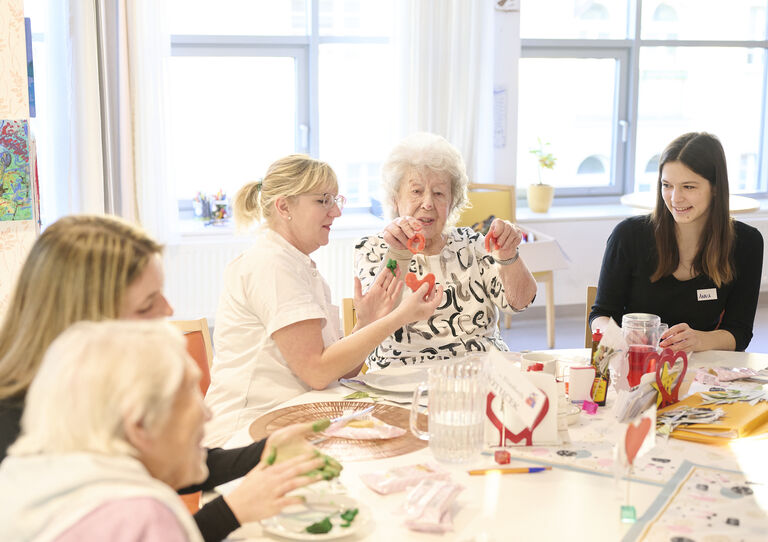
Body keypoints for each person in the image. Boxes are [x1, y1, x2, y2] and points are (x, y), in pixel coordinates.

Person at [0, 214, 327, 542]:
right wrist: (231, 510)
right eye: (146, 304)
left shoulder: (83, 382)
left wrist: (263, 450)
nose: (169, 309)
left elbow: (157, 461)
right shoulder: (17, 421)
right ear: (88, 318)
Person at [0, 320, 325, 542]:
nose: (206, 411)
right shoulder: (144, 515)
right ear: (139, 423)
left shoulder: (26, 473)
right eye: (188, 395)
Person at [204, 154, 443, 446]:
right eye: (323, 201)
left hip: (289, 421)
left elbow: (336, 370)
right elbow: (317, 372)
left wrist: (367, 324)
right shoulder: (271, 265)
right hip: (245, 435)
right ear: (284, 206)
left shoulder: (299, 267)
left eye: (335, 201)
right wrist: (398, 318)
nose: (336, 213)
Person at [354, 132, 538, 370]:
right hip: (401, 377)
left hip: (481, 375)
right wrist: (399, 253)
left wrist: (508, 255)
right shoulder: (375, 249)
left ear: (453, 202)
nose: (428, 203)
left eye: (439, 193)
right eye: (417, 191)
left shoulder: (473, 244)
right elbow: (376, 317)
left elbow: (519, 302)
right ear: (394, 199)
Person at [590, 132, 764, 352]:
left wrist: (700, 340)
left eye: (688, 187)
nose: (675, 198)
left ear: (716, 188)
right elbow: (600, 315)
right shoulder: (629, 235)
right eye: (667, 185)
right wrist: (620, 334)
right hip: (636, 363)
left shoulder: (746, 243)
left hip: (702, 371)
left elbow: (739, 332)